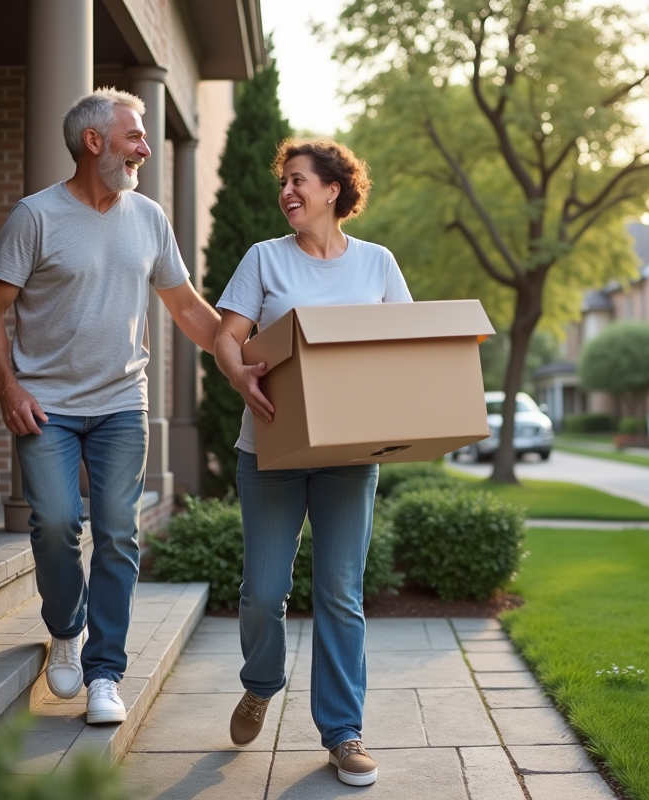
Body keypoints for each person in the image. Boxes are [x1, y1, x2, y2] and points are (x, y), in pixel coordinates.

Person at [0, 88, 221, 725]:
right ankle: (66, 628)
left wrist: (246, 354)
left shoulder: (149, 218)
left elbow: (189, 309)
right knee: (57, 524)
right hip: (47, 407)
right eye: (135, 136)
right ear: (94, 143)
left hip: (120, 404)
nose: (145, 147)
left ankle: (105, 672)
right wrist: (9, 388)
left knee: (117, 534)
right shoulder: (36, 216)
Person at [213, 139, 411, 786]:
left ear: (334, 190)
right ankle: (261, 682)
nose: (288, 193)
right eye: (284, 183)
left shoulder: (377, 264)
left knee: (340, 594)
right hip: (268, 446)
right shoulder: (265, 258)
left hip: (349, 454)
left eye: (300, 181)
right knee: (263, 593)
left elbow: (406, 344)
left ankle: (343, 733)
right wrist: (240, 377)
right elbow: (226, 335)